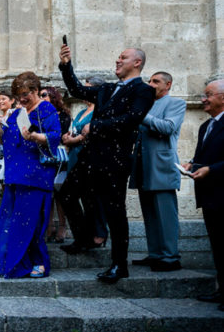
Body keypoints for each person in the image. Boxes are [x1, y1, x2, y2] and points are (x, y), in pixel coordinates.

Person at [58, 45, 155, 284]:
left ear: (137, 63)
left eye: (123, 57)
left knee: (115, 211)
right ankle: (84, 238)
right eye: (118, 56)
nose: (117, 60)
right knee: (68, 194)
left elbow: (132, 118)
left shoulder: (144, 90)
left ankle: (119, 265)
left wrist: (97, 126)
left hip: (115, 159)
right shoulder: (107, 88)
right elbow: (77, 89)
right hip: (90, 157)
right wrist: (66, 65)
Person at [0, 72, 61, 279]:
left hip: (35, 175)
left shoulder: (46, 109)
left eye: (26, 94)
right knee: (12, 222)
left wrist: (35, 136)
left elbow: (55, 135)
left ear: (36, 91)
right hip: (15, 175)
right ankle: (13, 262)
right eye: (19, 95)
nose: (22, 98)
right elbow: (1, 140)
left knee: (31, 224)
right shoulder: (18, 113)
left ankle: (39, 263)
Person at [130, 71, 186, 272]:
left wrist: (141, 115)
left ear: (168, 84)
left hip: (162, 165)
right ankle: (155, 254)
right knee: (149, 212)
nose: (150, 84)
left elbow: (168, 127)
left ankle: (171, 256)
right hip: (143, 164)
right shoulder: (147, 104)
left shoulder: (176, 104)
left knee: (165, 213)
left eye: (156, 81)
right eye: (149, 81)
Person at [182, 79, 224, 311]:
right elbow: (205, 158)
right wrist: (193, 164)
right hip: (210, 197)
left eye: (208, 95)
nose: (203, 99)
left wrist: (212, 169)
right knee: (217, 246)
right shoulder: (205, 126)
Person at [61, 76, 108, 247]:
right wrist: (68, 137)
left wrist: (78, 139)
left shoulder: (101, 110)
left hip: (91, 158)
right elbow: (74, 130)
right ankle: (83, 235)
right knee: (75, 197)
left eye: (88, 88)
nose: (85, 92)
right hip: (75, 158)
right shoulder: (81, 112)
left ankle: (100, 234)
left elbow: (94, 133)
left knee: (94, 197)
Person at [40, 86, 70, 243]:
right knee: (48, 193)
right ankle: (50, 226)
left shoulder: (63, 115)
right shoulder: (40, 115)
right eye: (40, 95)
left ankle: (62, 227)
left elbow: (61, 134)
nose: (42, 97)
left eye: (44, 95)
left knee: (60, 193)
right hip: (45, 156)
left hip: (59, 156)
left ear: (53, 96)